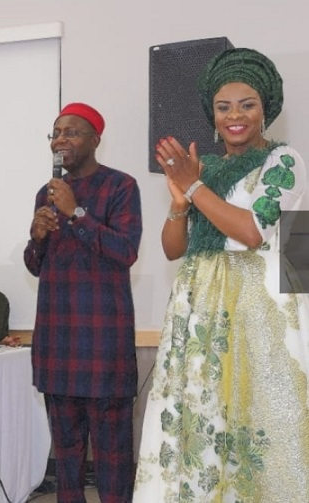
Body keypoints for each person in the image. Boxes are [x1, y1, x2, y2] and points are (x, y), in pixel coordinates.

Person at [134, 48, 309, 502]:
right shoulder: (205, 168)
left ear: (265, 110)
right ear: (211, 114)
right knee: (203, 414)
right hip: (201, 310)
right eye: (223, 106)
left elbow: (252, 231)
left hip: (259, 311)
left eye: (247, 105)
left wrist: (193, 187)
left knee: (258, 415)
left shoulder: (284, 161)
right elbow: (174, 249)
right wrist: (179, 203)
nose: (235, 116)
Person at [24, 102, 142, 502]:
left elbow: (125, 251)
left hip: (103, 345)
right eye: (56, 133)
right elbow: (36, 266)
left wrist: (75, 212)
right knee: (67, 459)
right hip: (57, 344)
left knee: (112, 459)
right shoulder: (45, 193)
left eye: (71, 132)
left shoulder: (121, 186)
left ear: (95, 140)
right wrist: (37, 238)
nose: (60, 140)